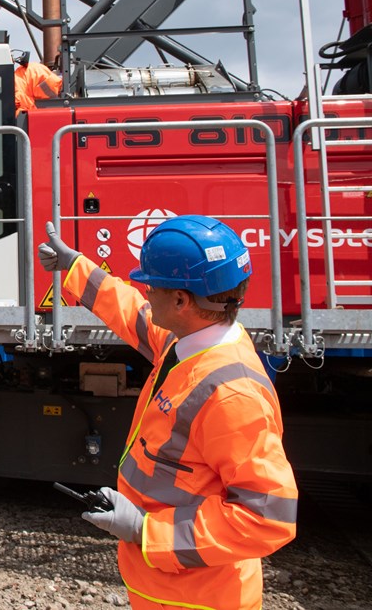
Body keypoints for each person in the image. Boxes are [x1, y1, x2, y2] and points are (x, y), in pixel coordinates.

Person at [38, 215, 297, 610]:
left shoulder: (231, 393)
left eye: (151, 286)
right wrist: (74, 267)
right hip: (168, 588)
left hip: (201, 598)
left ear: (181, 301)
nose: (145, 293)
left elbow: (267, 518)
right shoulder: (190, 342)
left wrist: (146, 531)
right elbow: (129, 312)